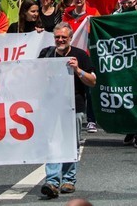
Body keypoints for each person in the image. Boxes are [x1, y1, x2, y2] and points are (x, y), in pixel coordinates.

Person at [39, 22, 96, 199]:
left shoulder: (80, 55)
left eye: (64, 37)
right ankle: (52, 181)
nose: (60, 40)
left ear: (70, 38)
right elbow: (35, 75)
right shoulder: (46, 54)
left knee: (71, 143)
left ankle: (69, 180)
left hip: (74, 106)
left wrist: (78, 70)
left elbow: (92, 81)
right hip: (52, 106)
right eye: (57, 37)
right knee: (53, 143)